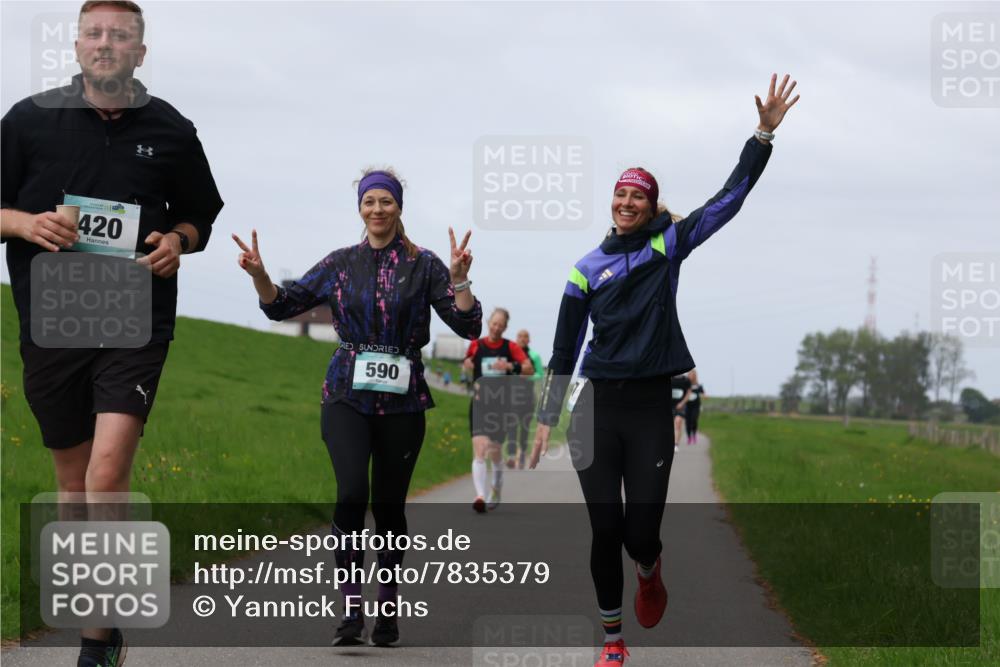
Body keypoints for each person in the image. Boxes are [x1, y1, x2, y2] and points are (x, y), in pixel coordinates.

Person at [531, 74, 799, 666]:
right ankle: (611, 640)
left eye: (638, 197)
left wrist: (762, 135)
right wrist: (549, 416)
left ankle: (650, 570)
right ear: (612, 201)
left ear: (650, 206)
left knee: (638, 536)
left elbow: (728, 201)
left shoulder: (667, 246)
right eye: (620, 195)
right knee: (605, 531)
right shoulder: (583, 270)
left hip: (651, 408)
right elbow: (562, 349)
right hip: (597, 408)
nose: (627, 204)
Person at [0, 2, 224, 665]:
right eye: (96, 34)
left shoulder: (172, 129)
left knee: (106, 473)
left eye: (120, 35)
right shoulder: (29, 120)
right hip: (55, 316)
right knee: (72, 482)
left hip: (134, 316)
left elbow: (200, 215)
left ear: (140, 52)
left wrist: (176, 241)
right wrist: (25, 225)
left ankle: (96, 642)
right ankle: (97, 619)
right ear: (77, 46)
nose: (107, 44)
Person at [234, 168, 481, 647]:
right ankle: (350, 610)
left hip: (403, 401)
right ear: (360, 208)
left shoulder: (425, 264)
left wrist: (461, 278)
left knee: (388, 508)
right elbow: (282, 305)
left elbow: (467, 325)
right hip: (346, 393)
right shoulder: (341, 262)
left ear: (399, 208)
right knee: (351, 493)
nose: (378, 210)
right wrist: (260, 275)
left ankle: (386, 608)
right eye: (370, 201)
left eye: (386, 201)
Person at [463, 308, 533, 511]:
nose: (496, 328)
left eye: (500, 325)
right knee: (479, 448)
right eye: (494, 323)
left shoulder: (511, 347)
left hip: (501, 407)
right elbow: (467, 362)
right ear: (488, 322)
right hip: (479, 404)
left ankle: (497, 485)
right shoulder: (476, 345)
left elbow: (528, 369)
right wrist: (467, 364)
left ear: (505, 327)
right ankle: (480, 496)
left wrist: (510, 367)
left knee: (494, 451)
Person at [505, 329, 545, 469]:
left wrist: (528, 377)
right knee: (512, 426)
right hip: (513, 397)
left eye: (525, 337)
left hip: (528, 398)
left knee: (525, 428)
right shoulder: (510, 355)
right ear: (516, 339)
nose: (522, 339)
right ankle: (511, 456)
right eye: (520, 336)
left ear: (529, 340)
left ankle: (521, 455)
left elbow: (540, 374)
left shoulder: (534, 356)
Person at [671, 374, 692, 452]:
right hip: (670, 405)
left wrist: (682, 403)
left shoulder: (686, 380)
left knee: (678, 422)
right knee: (670, 425)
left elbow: (688, 393)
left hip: (681, 405)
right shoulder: (670, 378)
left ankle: (676, 444)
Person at [684, 370, 706, 444]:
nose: (691, 376)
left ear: (695, 376)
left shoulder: (699, 386)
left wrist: (704, 396)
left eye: (693, 375)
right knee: (688, 422)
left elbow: (703, 394)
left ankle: (694, 435)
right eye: (690, 375)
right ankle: (689, 437)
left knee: (694, 420)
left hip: (696, 406)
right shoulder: (685, 385)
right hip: (687, 406)